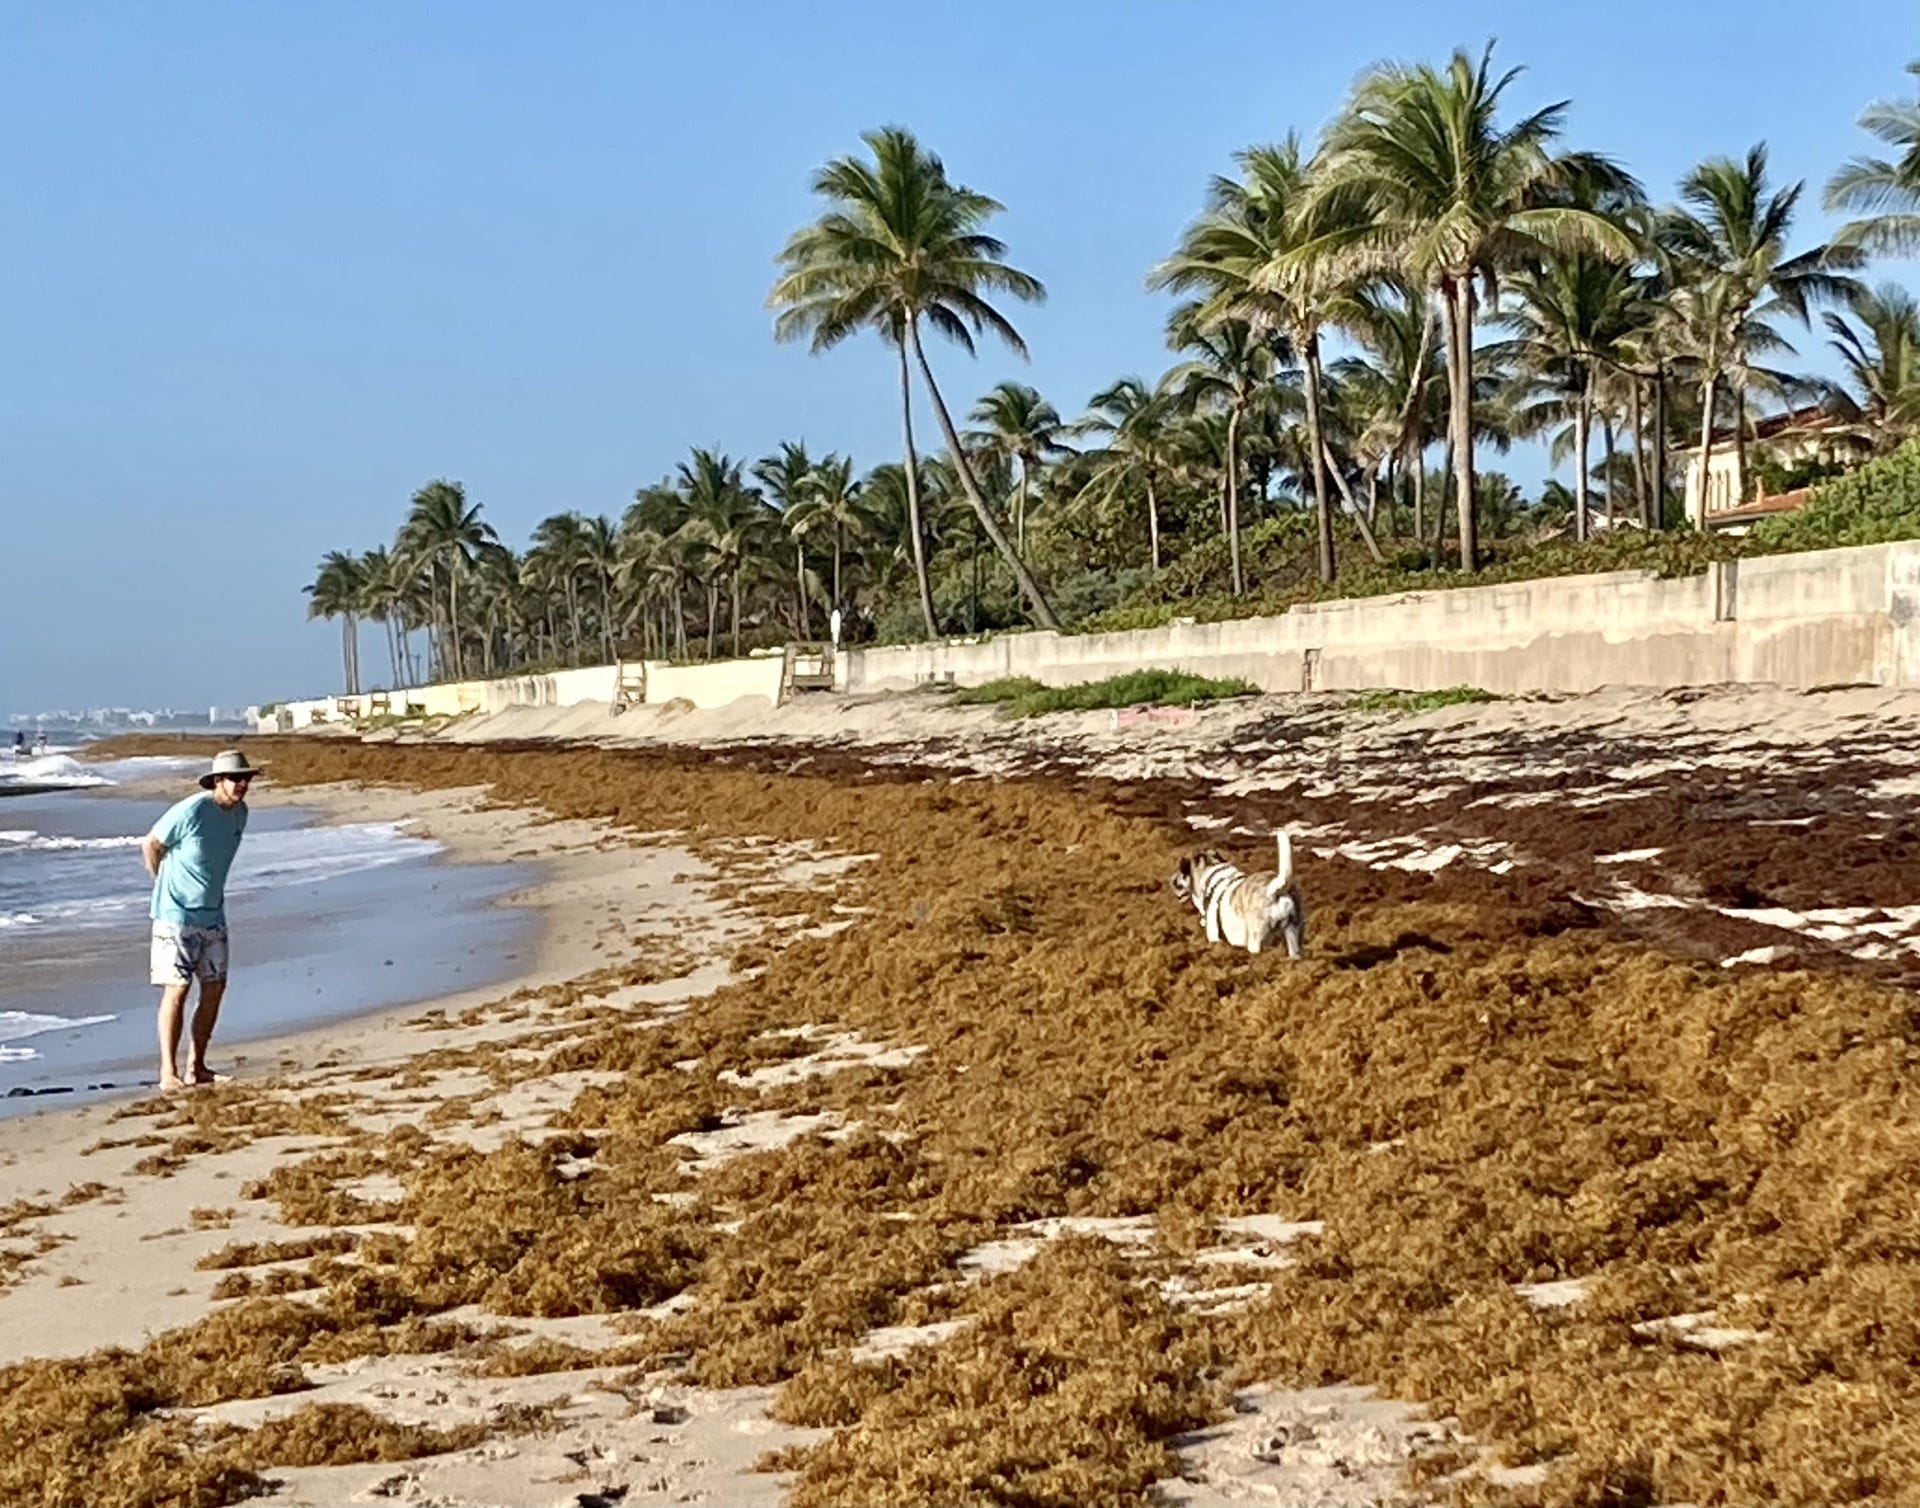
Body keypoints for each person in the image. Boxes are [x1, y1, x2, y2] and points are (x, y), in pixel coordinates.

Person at [141, 748, 263, 1091]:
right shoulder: (193, 809)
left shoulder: (241, 813)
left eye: (246, 778)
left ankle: (197, 1067)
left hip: (213, 915)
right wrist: (161, 883)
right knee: (177, 989)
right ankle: (168, 1071)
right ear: (217, 781)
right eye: (235, 779)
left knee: (215, 988)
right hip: (175, 915)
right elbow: (151, 843)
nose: (242, 785)